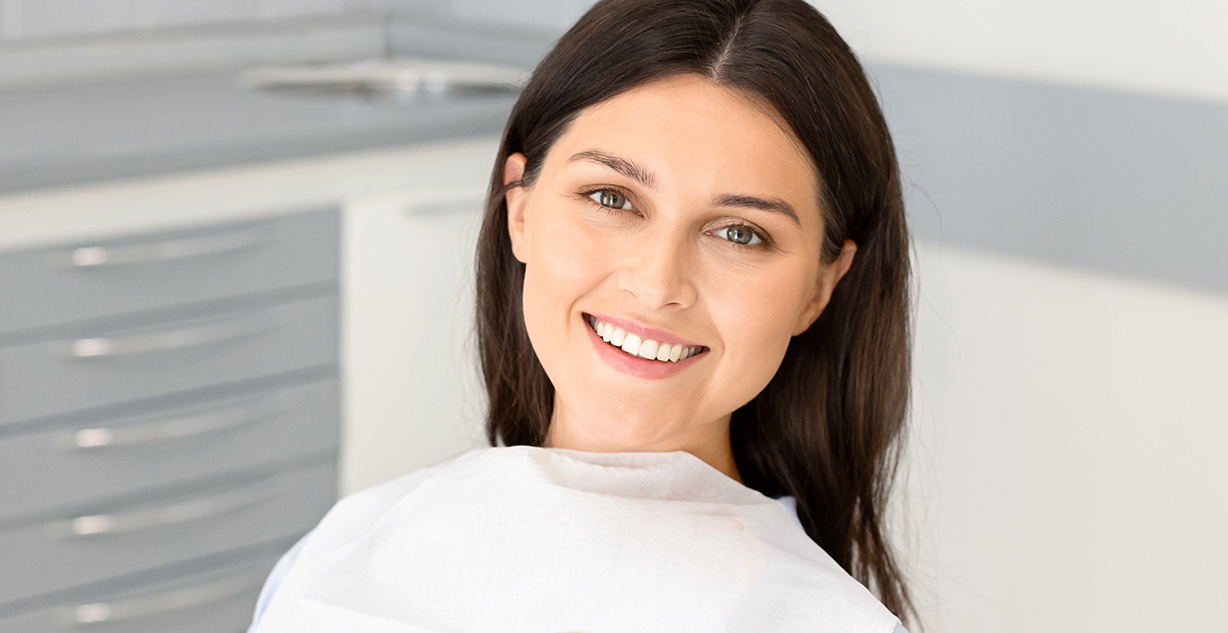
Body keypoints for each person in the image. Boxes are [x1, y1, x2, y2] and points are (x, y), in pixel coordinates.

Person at [252, 0, 915, 630]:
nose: (657, 286)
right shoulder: (337, 554)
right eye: (611, 197)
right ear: (520, 210)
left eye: (740, 232)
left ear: (819, 288)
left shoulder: (826, 620)